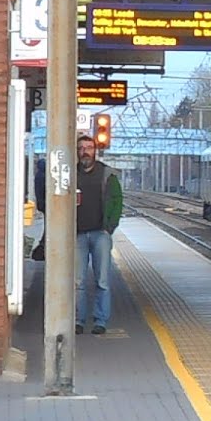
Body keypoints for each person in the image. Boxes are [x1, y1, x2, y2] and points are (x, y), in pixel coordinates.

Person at [75, 134, 124, 335]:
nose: (85, 151)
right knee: (77, 281)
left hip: (100, 234)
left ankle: (100, 320)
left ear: (95, 151)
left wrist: (110, 227)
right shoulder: (70, 174)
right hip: (77, 235)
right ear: (77, 151)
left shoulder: (106, 175)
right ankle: (78, 319)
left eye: (89, 147)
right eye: (81, 148)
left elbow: (118, 200)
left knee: (102, 280)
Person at [31, 157, 47, 261]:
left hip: (42, 204)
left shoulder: (38, 176)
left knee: (47, 227)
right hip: (46, 204)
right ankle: (42, 249)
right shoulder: (44, 176)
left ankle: (42, 248)